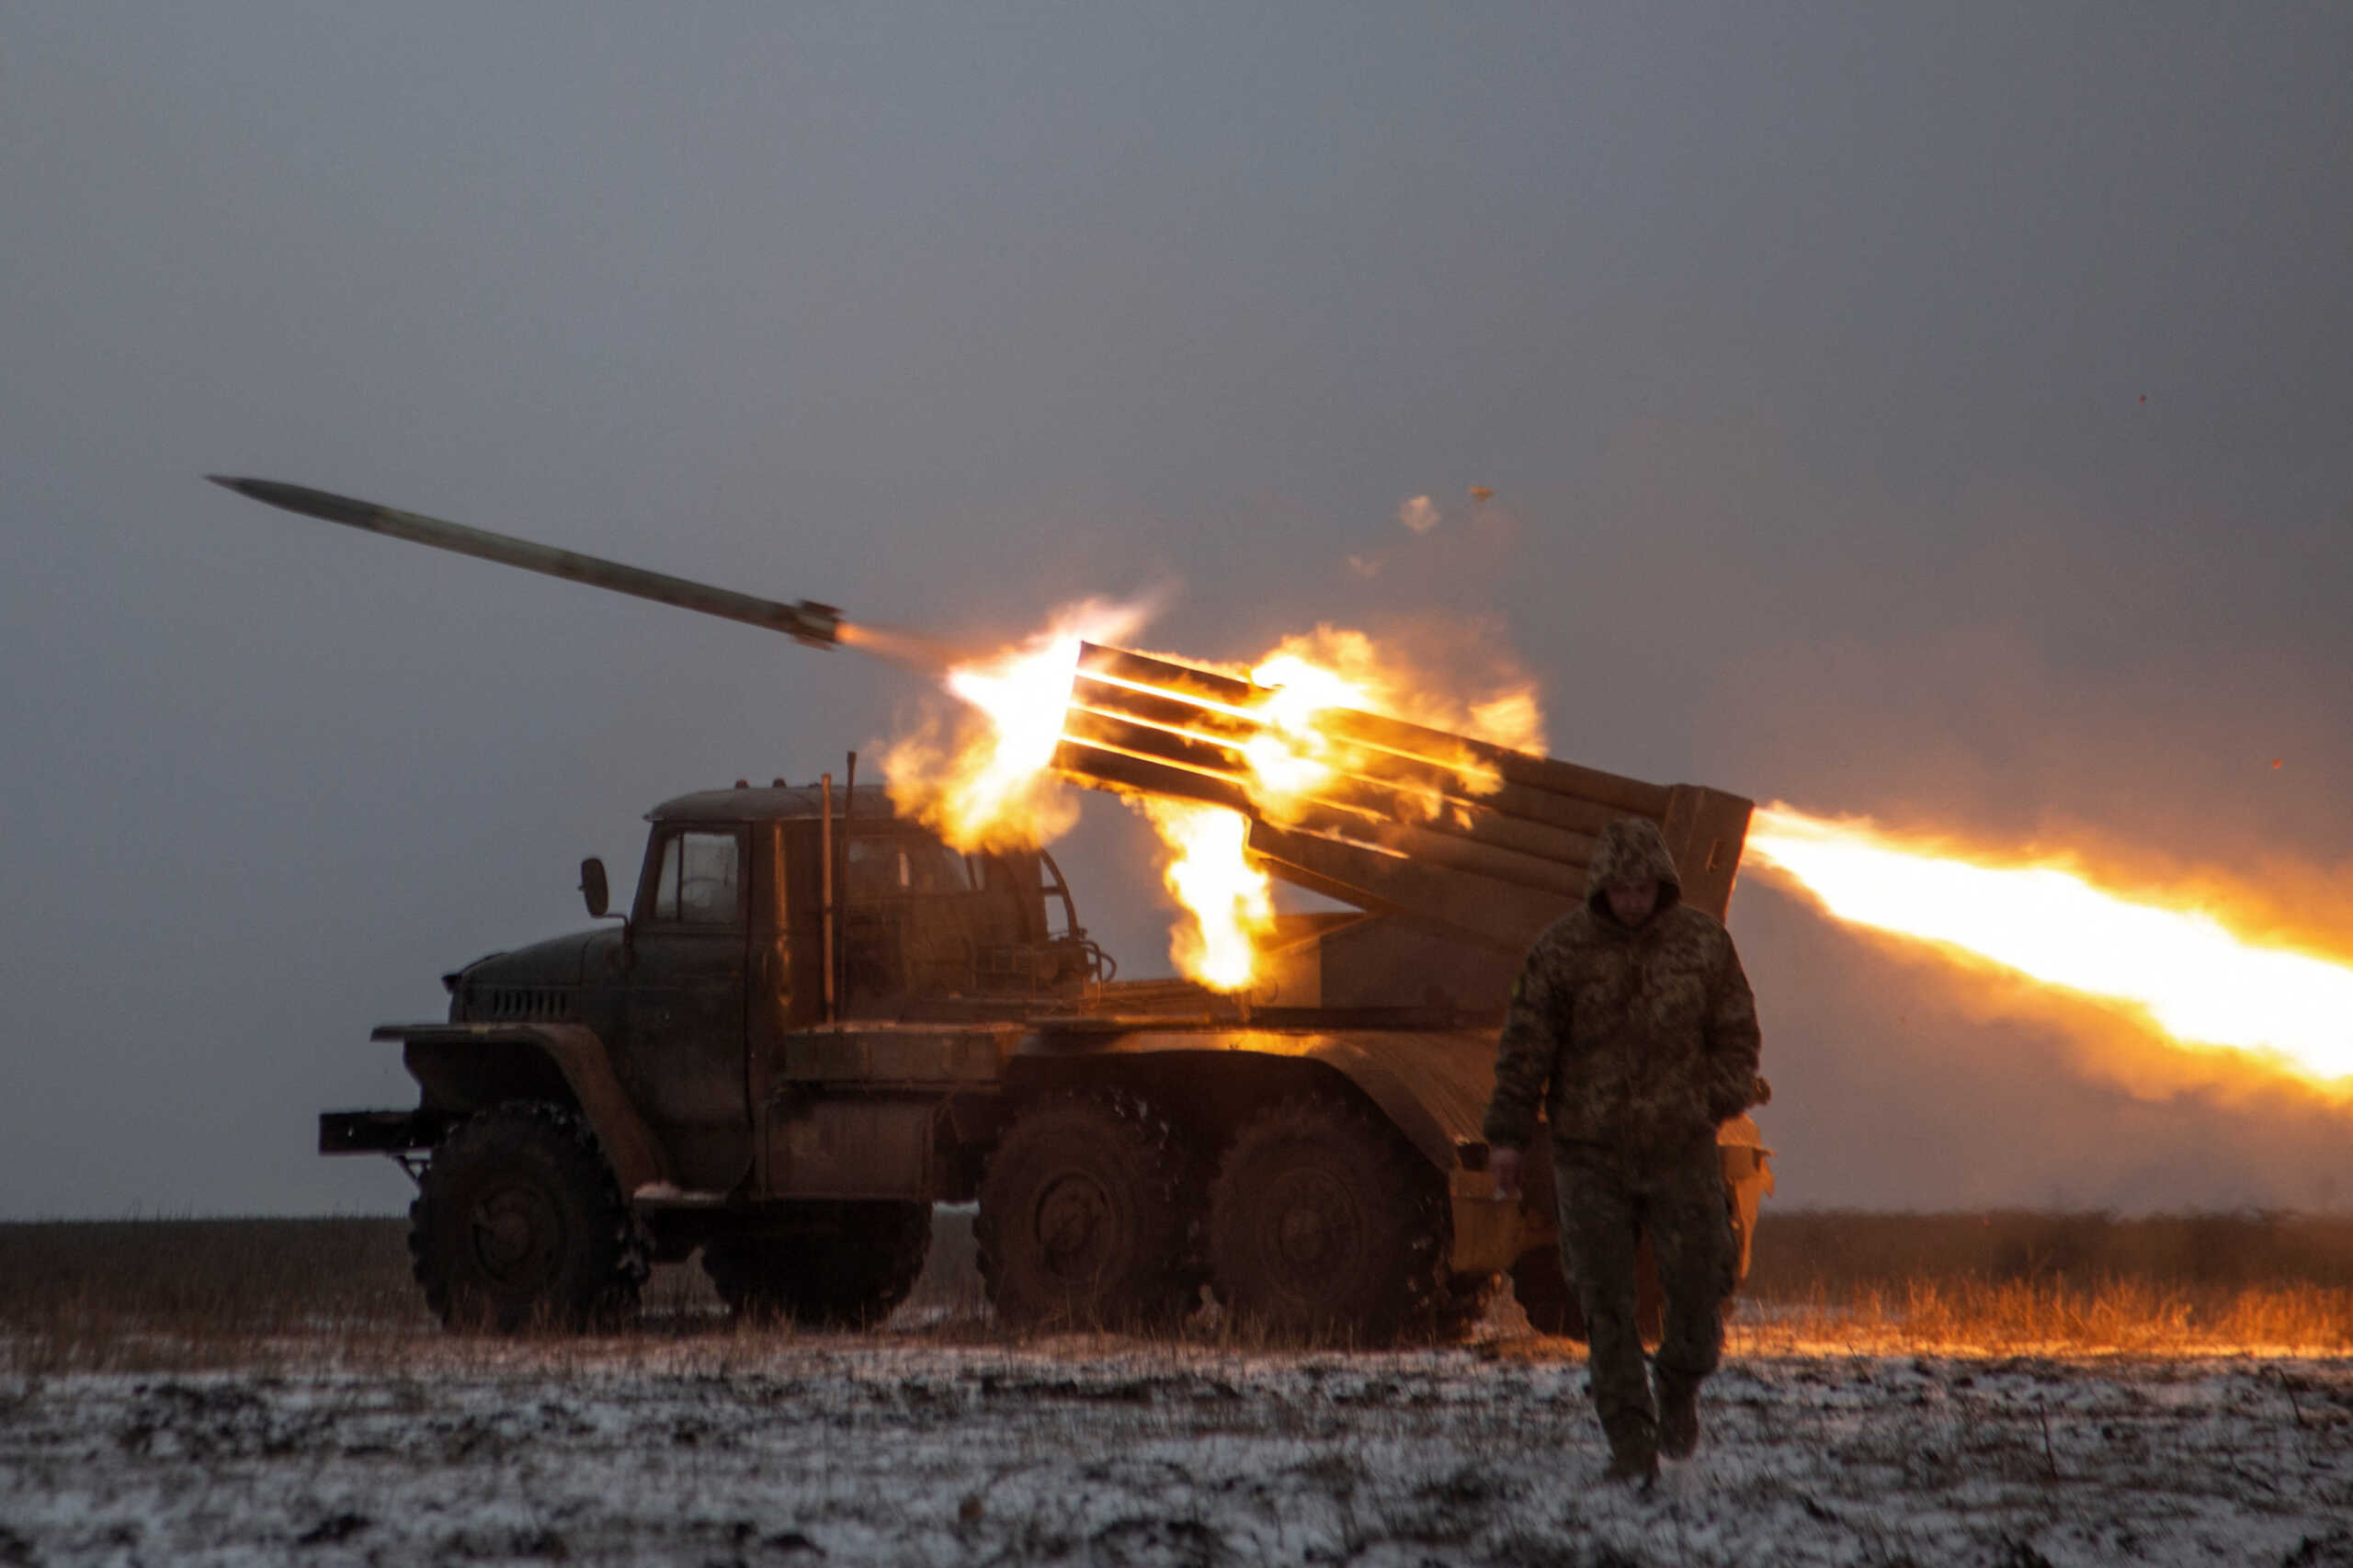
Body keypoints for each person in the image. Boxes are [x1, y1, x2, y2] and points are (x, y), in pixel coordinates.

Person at [1483, 815, 1762, 1483]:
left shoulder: (1704, 945)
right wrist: (1508, 1137)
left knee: (1700, 1287)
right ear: (1601, 888)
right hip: (1590, 1155)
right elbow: (1525, 1048)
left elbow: (1738, 1036)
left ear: (1661, 885)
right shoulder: (1559, 952)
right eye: (1621, 890)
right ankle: (1631, 1447)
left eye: (1643, 889)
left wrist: (1710, 1102)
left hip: (1680, 1150)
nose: (1633, 901)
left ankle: (1678, 1386)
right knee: (1604, 1304)